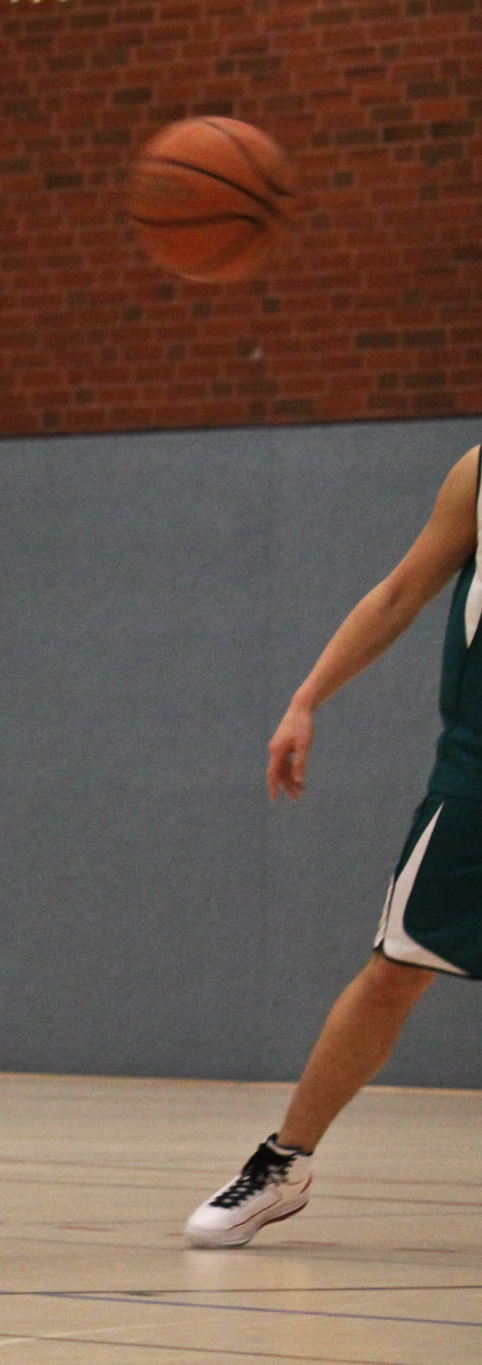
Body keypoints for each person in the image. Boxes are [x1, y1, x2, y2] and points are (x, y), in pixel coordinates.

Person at [185, 445, 482, 1248]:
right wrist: (307, 697)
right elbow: (397, 595)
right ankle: (283, 1165)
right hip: (477, 773)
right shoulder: (477, 474)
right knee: (395, 970)